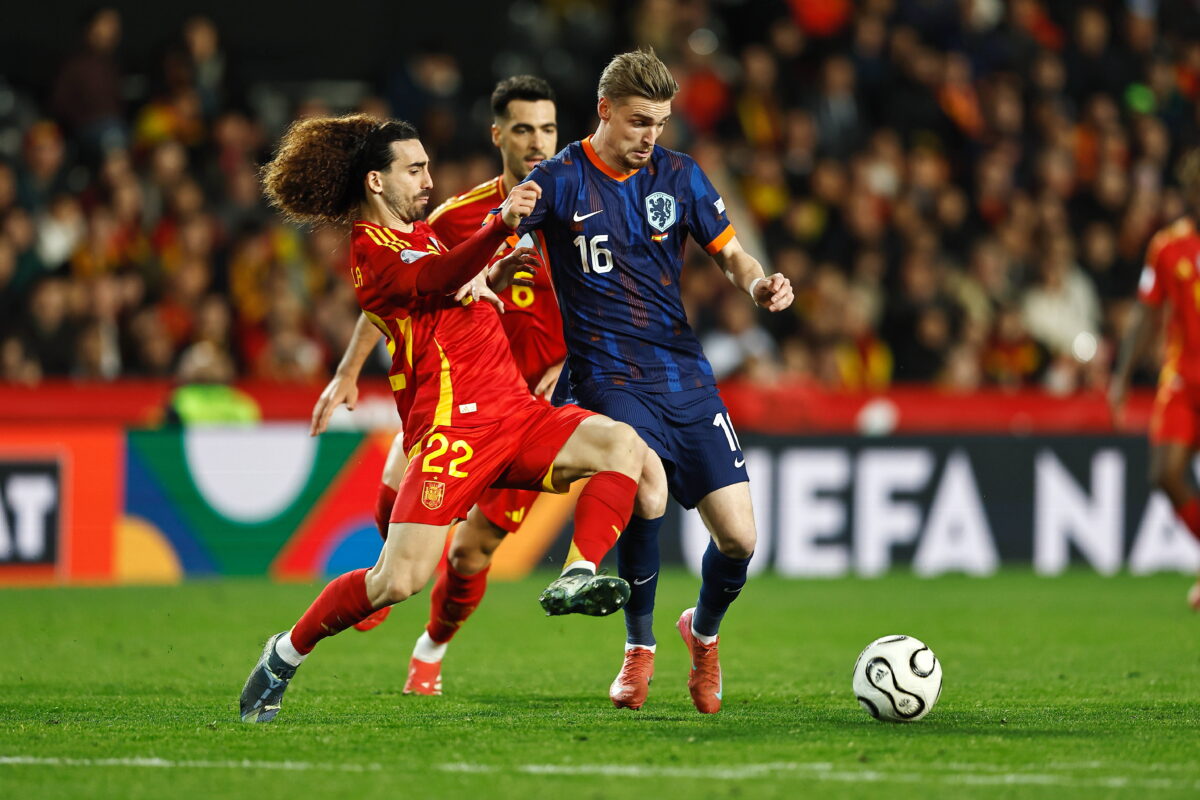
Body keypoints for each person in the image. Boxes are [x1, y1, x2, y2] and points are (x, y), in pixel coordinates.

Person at [239, 114, 649, 722]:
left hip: (515, 412)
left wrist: (493, 274)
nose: (429, 180)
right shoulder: (369, 254)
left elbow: (451, 283)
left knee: (624, 447)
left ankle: (577, 572)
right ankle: (284, 654)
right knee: (395, 583)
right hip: (453, 433)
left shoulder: (418, 234)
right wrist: (498, 227)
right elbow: (433, 279)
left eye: (429, 167)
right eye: (416, 169)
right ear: (376, 182)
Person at [519, 49, 793, 714]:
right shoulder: (558, 180)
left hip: (683, 372)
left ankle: (700, 632)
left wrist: (758, 282)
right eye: (640, 121)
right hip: (607, 373)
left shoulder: (680, 175)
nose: (650, 136)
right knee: (647, 486)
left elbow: (730, 252)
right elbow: (505, 242)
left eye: (661, 123)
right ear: (604, 109)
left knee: (741, 540)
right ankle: (637, 651)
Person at [308, 76, 574, 697]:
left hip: (534, 404)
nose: (538, 142)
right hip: (454, 392)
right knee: (398, 476)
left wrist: (583, 365)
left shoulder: (584, 209)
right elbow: (399, 293)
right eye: (524, 129)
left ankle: (432, 646)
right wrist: (347, 371)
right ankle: (382, 579)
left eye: (549, 129)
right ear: (498, 135)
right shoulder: (454, 217)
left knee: (470, 554)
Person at [1109, 148, 1200, 610]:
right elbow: (1146, 313)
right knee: (1165, 474)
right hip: (1184, 383)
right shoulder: (1168, 247)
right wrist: (1122, 374)